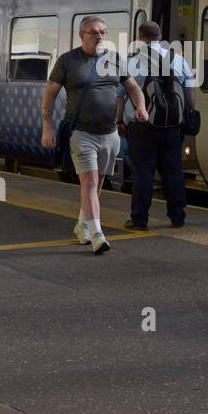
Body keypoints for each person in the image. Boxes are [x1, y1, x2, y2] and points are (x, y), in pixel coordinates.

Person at [41, 16, 148, 255]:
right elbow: (49, 96)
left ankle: (82, 226)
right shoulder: (68, 61)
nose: (99, 36)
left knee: (97, 184)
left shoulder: (114, 60)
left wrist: (140, 107)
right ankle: (97, 235)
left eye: (102, 32)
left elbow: (133, 88)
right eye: (93, 32)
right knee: (88, 182)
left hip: (109, 133)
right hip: (82, 132)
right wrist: (47, 126)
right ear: (81, 35)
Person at [118, 21, 196, 231]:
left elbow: (120, 96)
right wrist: (185, 117)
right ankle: (177, 217)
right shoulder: (179, 60)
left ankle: (139, 220)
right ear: (160, 35)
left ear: (140, 37)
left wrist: (119, 121)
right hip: (172, 127)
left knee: (144, 172)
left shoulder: (131, 62)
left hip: (141, 125)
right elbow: (189, 95)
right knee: (173, 172)